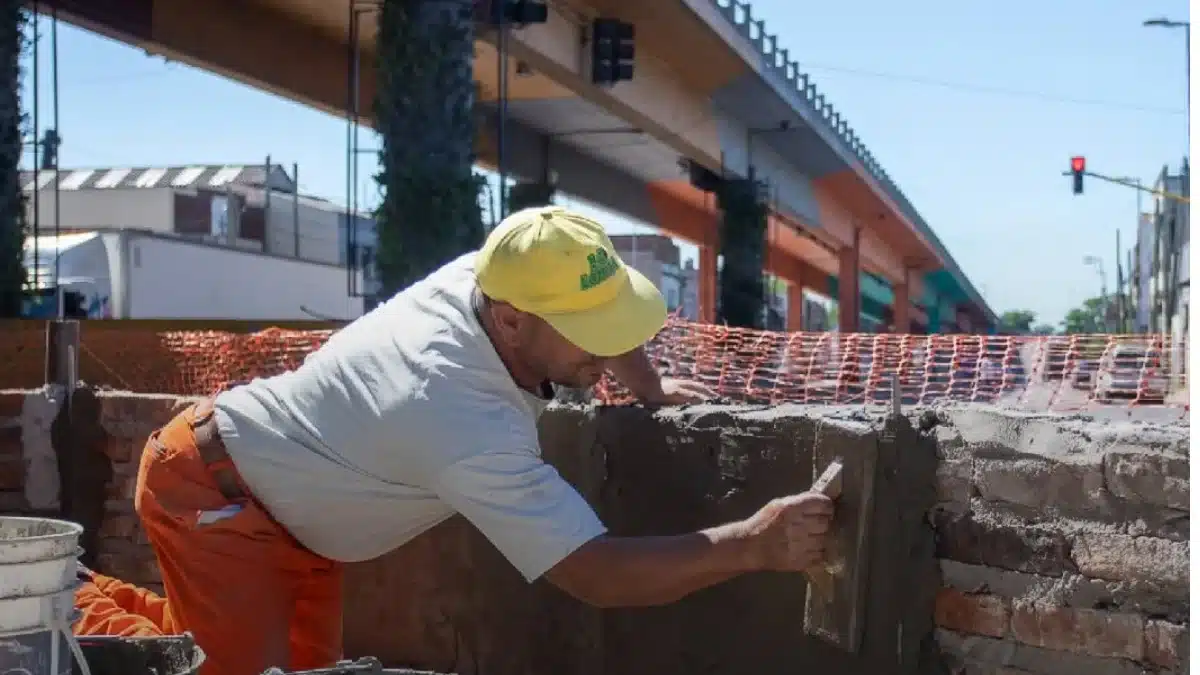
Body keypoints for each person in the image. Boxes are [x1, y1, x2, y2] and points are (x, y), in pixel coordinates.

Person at [133, 206, 835, 675]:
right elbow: (594, 572)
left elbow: (587, 311)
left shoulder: (498, 272)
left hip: (290, 510)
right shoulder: (461, 412)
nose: (609, 343)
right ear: (508, 323)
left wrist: (647, 388)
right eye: (589, 329)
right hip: (215, 498)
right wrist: (754, 543)